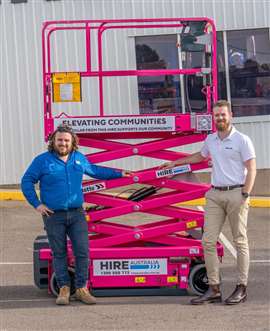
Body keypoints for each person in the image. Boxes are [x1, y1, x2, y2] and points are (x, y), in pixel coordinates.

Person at [21, 125, 132, 305]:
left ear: (73, 142)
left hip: (76, 214)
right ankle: (64, 289)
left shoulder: (78, 158)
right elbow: (26, 181)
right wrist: (37, 204)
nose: (63, 143)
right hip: (53, 215)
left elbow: (95, 171)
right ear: (53, 142)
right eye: (59, 140)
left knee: (82, 252)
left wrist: (119, 174)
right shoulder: (42, 161)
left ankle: (81, 288)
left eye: (66, 140)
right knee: (59, 253)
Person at [161, 100, 256, 305]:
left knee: (240, 241)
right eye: (217, 115)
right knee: (208, 241)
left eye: (223, 114)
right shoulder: (211, 139)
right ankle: (214, 288)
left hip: (236, 193)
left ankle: (241, 287)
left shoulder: (242, 140)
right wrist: (176, 162)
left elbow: (252, 168)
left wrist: (245, 194)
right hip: (215, 194)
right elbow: (199, 156)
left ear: (230, 114)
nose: (220, 118)